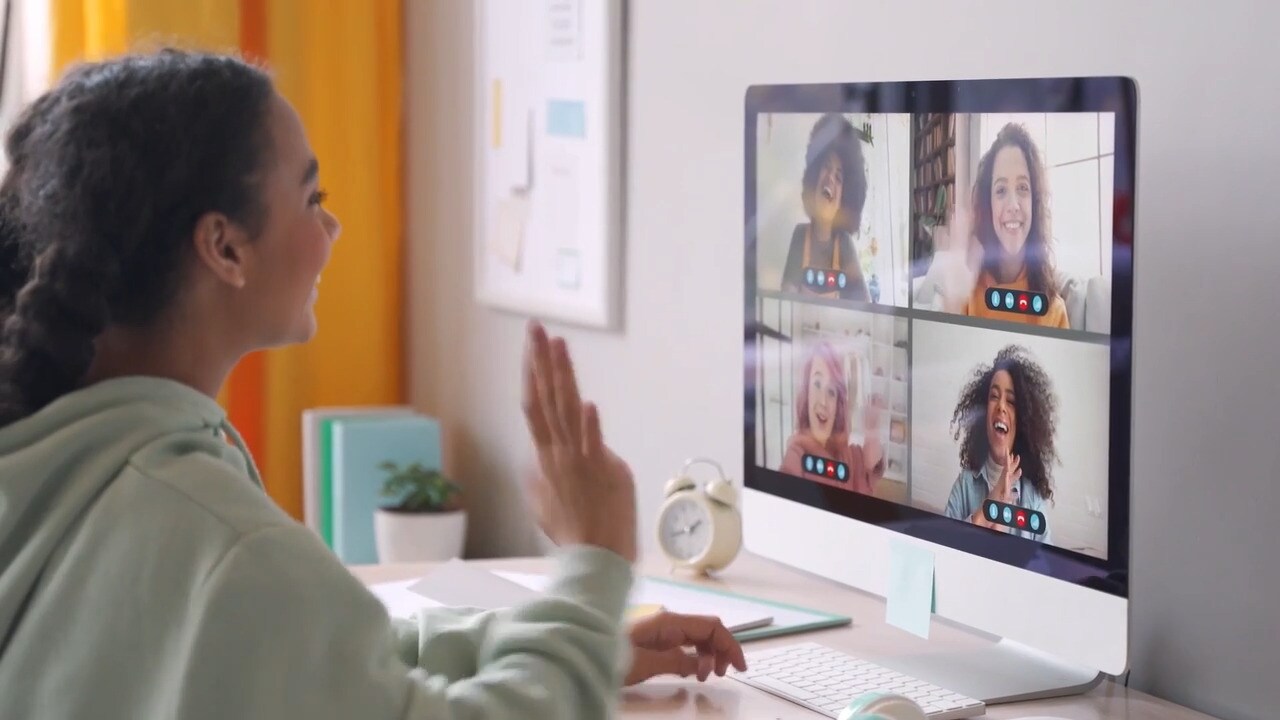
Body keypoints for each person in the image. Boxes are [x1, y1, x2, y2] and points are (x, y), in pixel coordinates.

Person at [0, 49, 744, 720]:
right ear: (224, 246)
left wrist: (562, 636)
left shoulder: (61, 473)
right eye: (312, 199)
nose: (333, 231)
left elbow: (304, 654)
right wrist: (596, 563)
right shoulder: (228, 544)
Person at [933, 122, 1069, 328]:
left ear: (1035, 201)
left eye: (1023, 188)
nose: (1013, 205)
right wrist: (950, 303)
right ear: (988, 204)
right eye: (1001, 190)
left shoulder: (1054, 311)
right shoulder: (966, 295)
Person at [942, 345, 1057, 542]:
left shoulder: (1033, 501)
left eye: (1011, 401)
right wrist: (989, 507)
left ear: (1022, 420)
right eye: (994, 397)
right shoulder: (964, 485)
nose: (1001, 406)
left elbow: (1041, 569)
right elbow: (944, 546)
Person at [779, 113, 871, 302]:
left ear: (845, 198)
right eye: (826, 167)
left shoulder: (844, 244)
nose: (830, 178)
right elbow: (786, 299)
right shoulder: (799, 235)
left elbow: (864, 307)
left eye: (838, 177)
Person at [780, 340, 884, 495]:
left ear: (837, 407)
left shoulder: (846, 454)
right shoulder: (797, 454)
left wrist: (872, 432)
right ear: (806, 393)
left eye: (831, 391)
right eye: (816, 384)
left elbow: (869, 464)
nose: (823, 402)